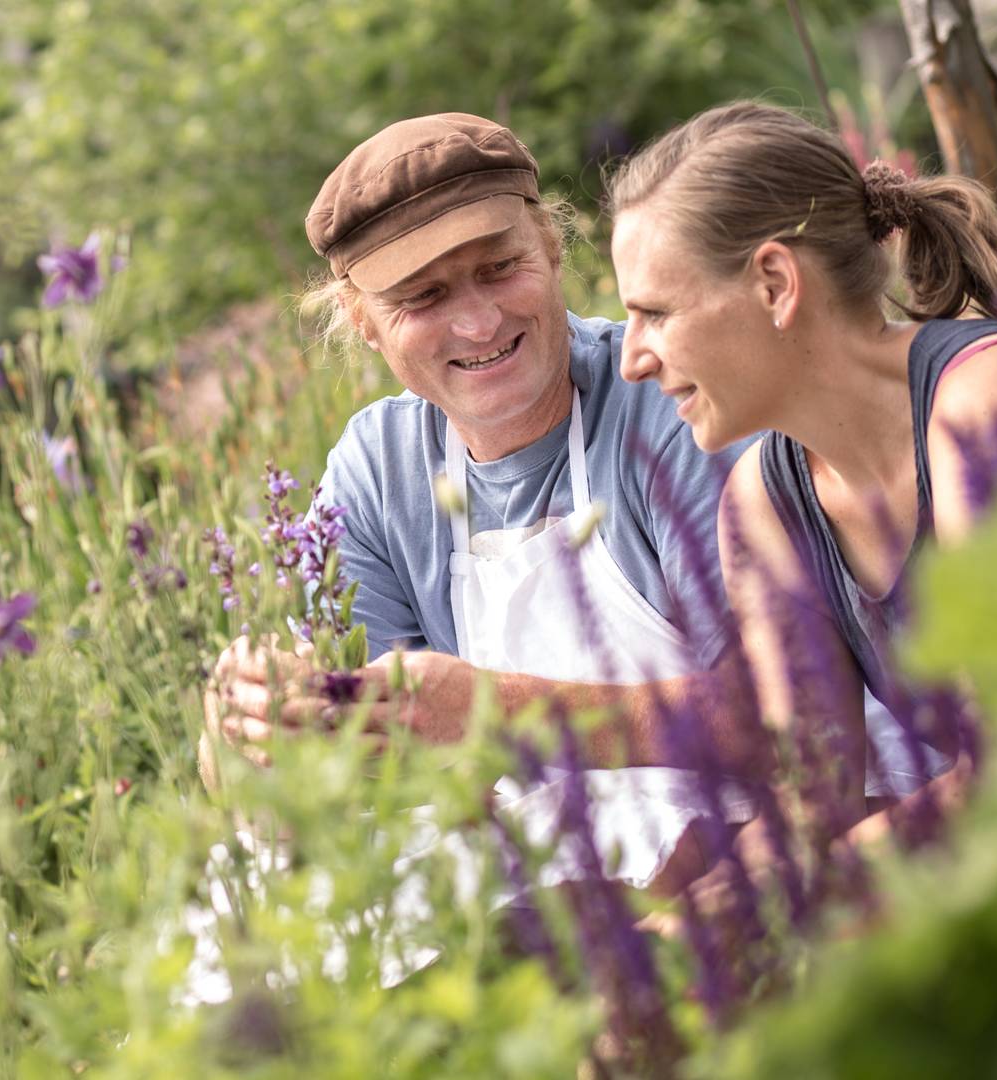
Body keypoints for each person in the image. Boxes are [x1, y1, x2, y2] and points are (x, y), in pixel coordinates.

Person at [201, 113, 937, 893]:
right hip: (556, 863)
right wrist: (252, 729)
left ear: (551, 247)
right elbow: (370, 762)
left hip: (766, 835)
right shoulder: (377, 471)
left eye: (499, 266)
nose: (479, 320)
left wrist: (504, 712)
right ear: (363, 323)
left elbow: (795, 725)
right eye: (424, 296)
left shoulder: (682, 397)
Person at [602, 100, 997, 887]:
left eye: (654, 314)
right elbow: (812, 797)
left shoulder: (989, 413)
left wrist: (785, 903)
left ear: (773, 282)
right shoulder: (765, 505)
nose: (632, 359)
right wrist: (697, 926)